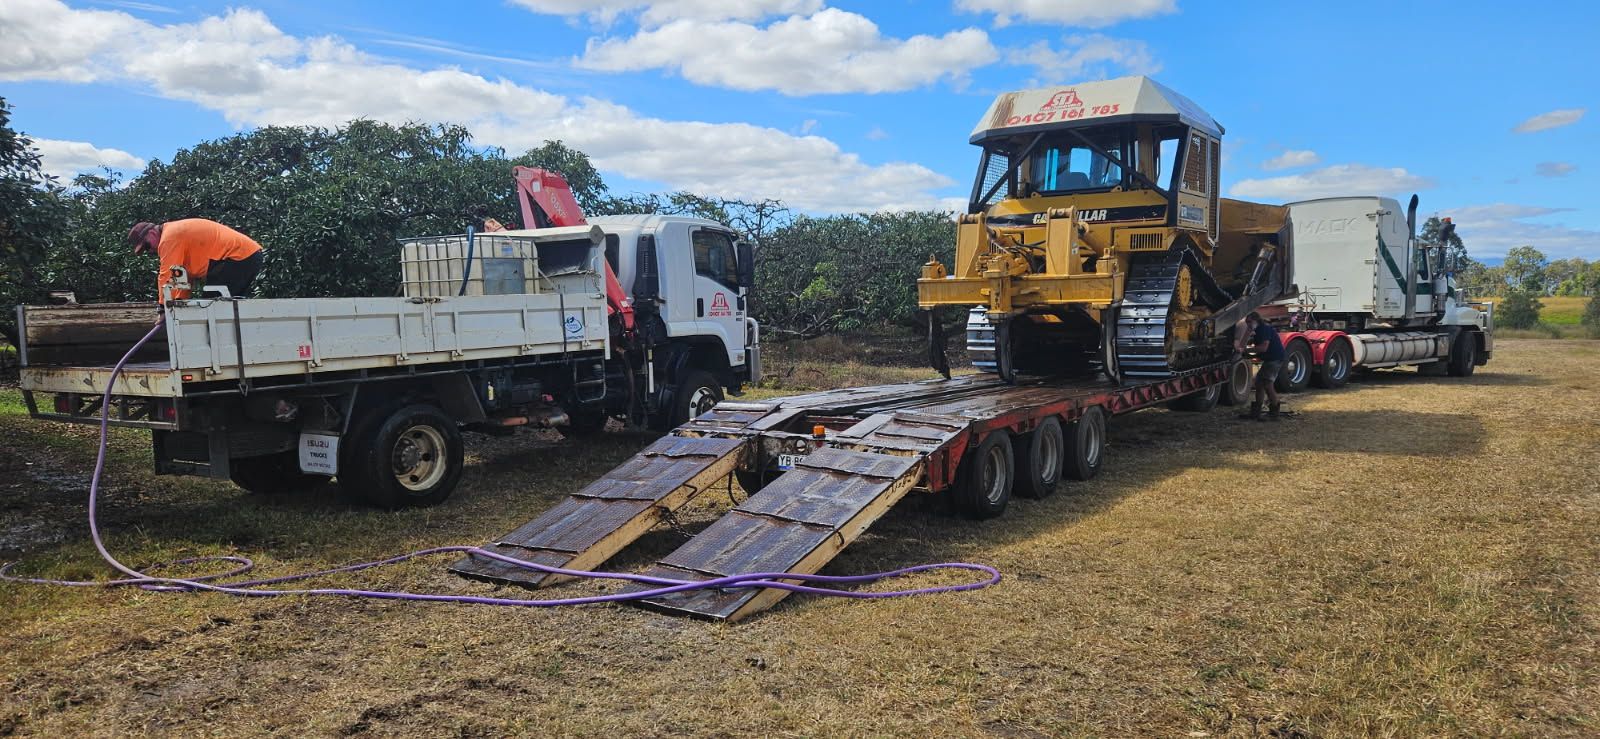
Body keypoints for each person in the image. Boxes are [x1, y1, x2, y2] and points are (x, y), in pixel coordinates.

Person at [128, 219, 263, 300]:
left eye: (146, 245)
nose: (150, 250)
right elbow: (180, 277)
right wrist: (178, 302)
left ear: (152, 233)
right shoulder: (175, 237)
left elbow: (167, 275)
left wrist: (163, 308)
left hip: (238, 257)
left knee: (211, 305)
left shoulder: (168, 238)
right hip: (246, 257)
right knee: (224, 305)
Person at [1240, 311, 1285, 420]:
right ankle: (1256, 412)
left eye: (1249, 322)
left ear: (1256, 320)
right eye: (1247, 322)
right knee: (1259, 383)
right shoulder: (1258, 330)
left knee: (1267, 384)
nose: (1248, 324)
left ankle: (1274, 412)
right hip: (1271, 359)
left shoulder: (1263, 329)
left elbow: (1263, 348)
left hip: (1274, 359)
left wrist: (1246, 350)